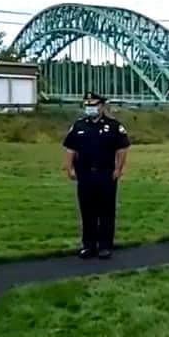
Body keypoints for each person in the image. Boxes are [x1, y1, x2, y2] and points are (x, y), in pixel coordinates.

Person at [63, 92, 131, 260]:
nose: (90, 108)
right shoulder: (79, 125)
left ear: (101, 106)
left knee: (106, 211)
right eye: (87, 105)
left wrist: (118, 169)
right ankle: (89, 245)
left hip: (105, 173)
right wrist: (69, 168)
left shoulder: (113, 126)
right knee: (87, 211)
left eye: (93, 104)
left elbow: (122, 149)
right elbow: (71, 148)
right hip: (85, 174)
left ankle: (105, 246)